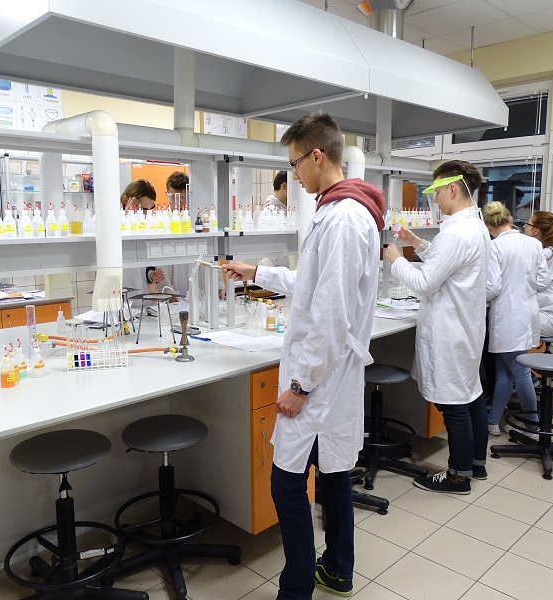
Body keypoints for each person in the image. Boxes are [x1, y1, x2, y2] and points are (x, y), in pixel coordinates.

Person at [223, 112, 384, 600]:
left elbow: (331, 314)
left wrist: (299, 386)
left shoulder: (343, 219)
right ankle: (337, 570)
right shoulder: (342, 210)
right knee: (333, 474)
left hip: (321, 378)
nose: (292, 174)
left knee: (287, 484)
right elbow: (314, 284)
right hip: (332, 374)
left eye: (294, 163)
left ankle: (295, 590)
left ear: (317, 156)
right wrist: (257, 272)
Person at [384, 160, 490, 495]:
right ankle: (476, 464)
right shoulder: (474, 227)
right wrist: (417, 241)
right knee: (471, 396)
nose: (435, 199)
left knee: (454, 406)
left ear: (452, 189)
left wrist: (397, 260)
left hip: (450, 331)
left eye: (436, 191)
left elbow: (426, 282)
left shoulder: (455, 233)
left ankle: (458, 477)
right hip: (465, 328)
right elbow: (449, 264)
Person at [482, 202, 549, 437]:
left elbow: (491, 288)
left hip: (507, 316)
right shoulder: (533, 243)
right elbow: (543, 282)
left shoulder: (494, 247)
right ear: (510, 219)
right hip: (528, 313)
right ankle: (493, 421)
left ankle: (532, 426)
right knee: (504, 372)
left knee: (519, 372)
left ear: (488, 227)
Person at [259, 170, 292, 268]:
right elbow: (273, 253)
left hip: (278, 268)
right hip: (273, 268)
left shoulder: (281, 209)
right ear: (284, 186)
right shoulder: (271, 212)